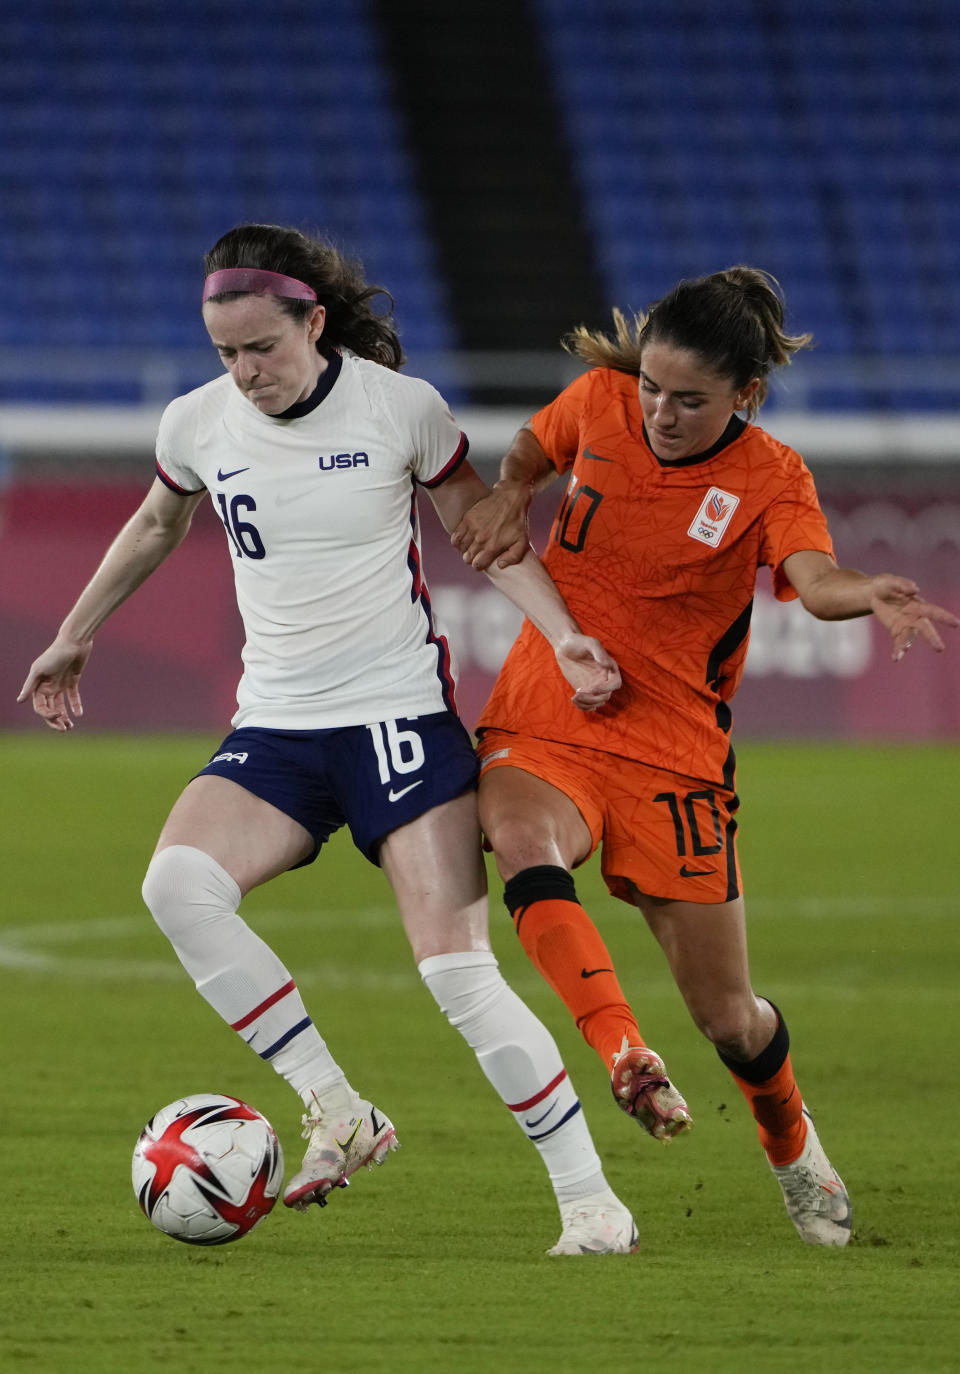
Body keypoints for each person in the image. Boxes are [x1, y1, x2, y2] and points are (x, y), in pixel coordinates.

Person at [19, 223, 637, 1257]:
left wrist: (565, 633)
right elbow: (155, 526)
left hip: (397, 720)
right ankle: (338, 1109)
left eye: (262, 346)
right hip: (278, 726)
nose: (245, 371)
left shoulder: (400, 408)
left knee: (456, 973)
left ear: (313, 321)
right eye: (225, 352)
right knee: (176, 885)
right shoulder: (197, 424)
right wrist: (74, 635)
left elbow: (482, 529)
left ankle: (590, 1203)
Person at [451, 266, 958, 1248]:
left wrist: (871, 595)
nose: (661, 412)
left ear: (746, 396)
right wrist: (514, 490)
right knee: (517, 832)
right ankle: (624, 1051)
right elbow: (534, 441)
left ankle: (791, 1139)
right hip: (550, 705)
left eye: (689, 400)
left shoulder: (771, 476)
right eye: (652, 388)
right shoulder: (600, 401)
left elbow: (810, 578)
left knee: (731, 1020)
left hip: (674, 757)